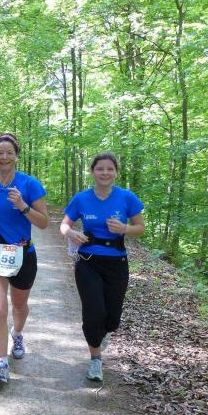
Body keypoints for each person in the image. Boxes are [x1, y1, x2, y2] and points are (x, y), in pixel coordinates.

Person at [59, 151, 145, 382]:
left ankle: (103, 333)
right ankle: (95, 359)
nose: (105, 173)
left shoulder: (127, 197)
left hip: (117, 261)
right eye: (100, 169)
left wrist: (124, 229)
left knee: (112, 317)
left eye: (109, 169)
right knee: (93, 311)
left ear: (116, 172)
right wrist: (71, 233)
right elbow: (64, 225)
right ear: (92, 172)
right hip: (88, 260)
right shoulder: (82, 198)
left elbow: (140, 228)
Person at [0, 133, 48, 384]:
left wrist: (23, 206)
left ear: (16, 156)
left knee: (19, 305)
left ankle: (17, 334)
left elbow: (44, 222)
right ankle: (1, 364)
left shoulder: (30, 184)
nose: (4, 157)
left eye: (9, 153)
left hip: (23, 253)